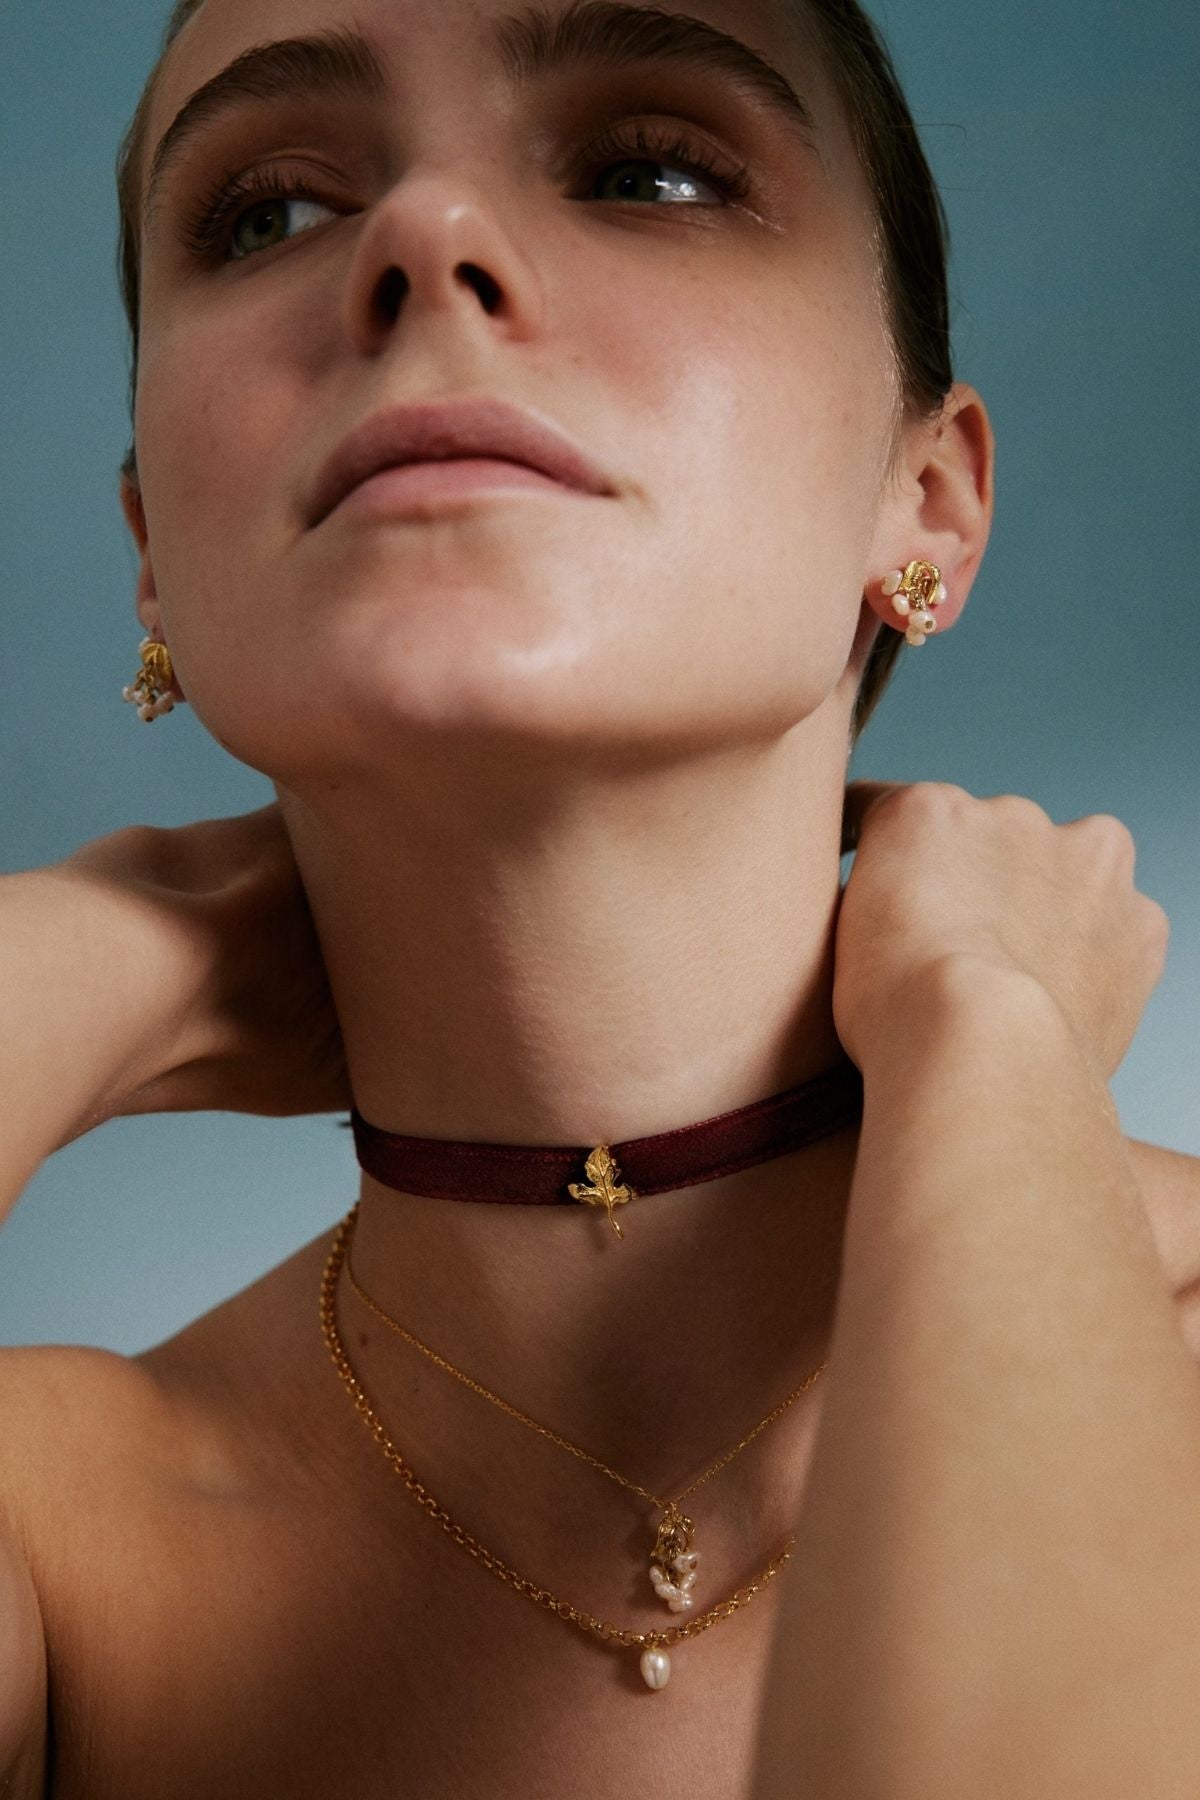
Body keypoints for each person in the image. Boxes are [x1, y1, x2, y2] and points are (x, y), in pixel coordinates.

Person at [2, 0, 1199, 1794]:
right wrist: (86, 955)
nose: (422, 237)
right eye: (267, 212)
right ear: (156, 552)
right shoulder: (56, 1538)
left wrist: (990, 1043)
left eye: (648, 168)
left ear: (927, 502)